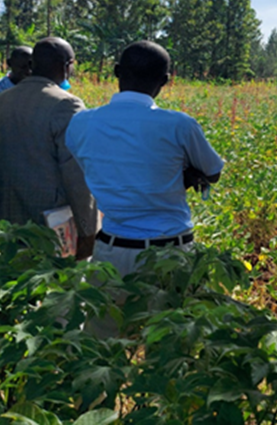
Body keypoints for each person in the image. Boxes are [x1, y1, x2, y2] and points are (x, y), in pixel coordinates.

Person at [65, 41, 224, 335]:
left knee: (102, 346)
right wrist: (184, 175)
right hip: (170, 254)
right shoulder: (179, 125)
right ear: (165, 81)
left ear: (116, 72)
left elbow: (95, 167)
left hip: (112, 251)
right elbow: (213, 172)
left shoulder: (81, 124)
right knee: (168, 349)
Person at [0, 37, 97, 259]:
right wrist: (88, 230)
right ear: (66, 66)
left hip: (6, 219)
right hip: (51, 225)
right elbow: (76, 175)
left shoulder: (0, 101)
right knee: (54, 286)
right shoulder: (67, 104)